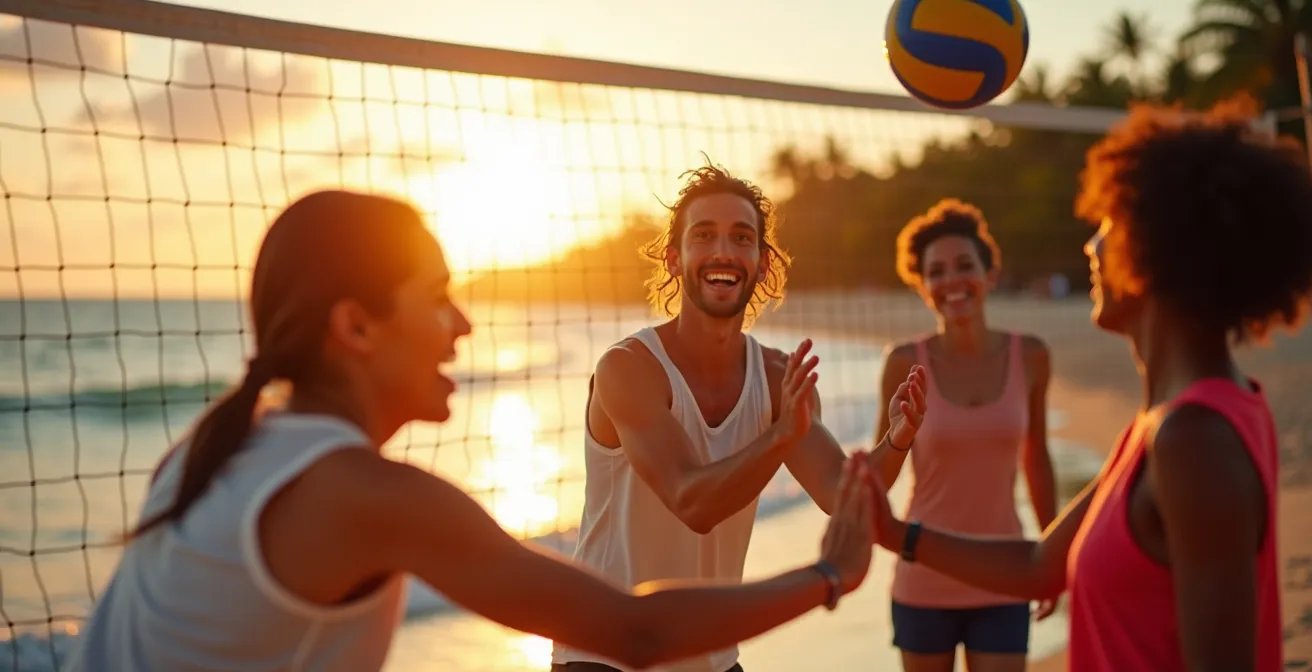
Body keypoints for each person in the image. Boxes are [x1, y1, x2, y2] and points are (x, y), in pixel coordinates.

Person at [62, 189, 887, 672]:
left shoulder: (209, 448)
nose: (462, 324)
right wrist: (827, 576)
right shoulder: (366, 494)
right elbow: (633, 632)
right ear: (355, 327)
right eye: (435, 296)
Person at [867, 100, 1312, 671]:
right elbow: (1039, 567)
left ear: (1155, 253)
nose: (1091, 246)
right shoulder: (1166, 424)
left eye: (1109, 225)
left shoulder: (1194, 439)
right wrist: (894, 532)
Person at [551, 162, 928, 672]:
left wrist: (897, 440)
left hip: (711, 655)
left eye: (742, 237)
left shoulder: (776, 377)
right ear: (675, 260)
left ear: (762, 262)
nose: (723, 251)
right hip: (604, 654)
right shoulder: (629, 368)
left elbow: (842, 497)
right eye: (703, 235)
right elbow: (692, 502)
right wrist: (778, 437)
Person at [872, 199, 1057, 672]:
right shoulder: (902, 362)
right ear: (921, 285)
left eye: (964, 265)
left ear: (990, 273)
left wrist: (1053, 555)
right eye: (936, 271)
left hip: (1006, 571)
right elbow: (878, 477)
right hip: (923, 575)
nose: (951, 280)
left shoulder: (1031, 355)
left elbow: (1037, 459)